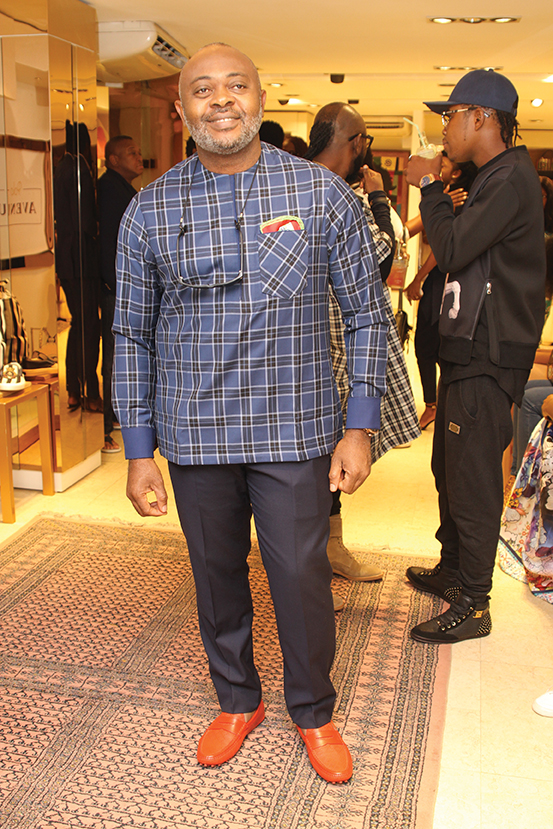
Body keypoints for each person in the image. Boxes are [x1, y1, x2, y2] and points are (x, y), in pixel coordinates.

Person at [112, 43, 388, 783]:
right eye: (203, 89)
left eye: (236, 85)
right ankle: (238, 700)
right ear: (182, 110)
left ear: (261, 100)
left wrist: (358, 426)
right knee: (214, 574)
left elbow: (367, 315)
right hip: (194, 432)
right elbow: (130, 333)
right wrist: (138, 448)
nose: (221, 99)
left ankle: (314, 711)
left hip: (294, 427)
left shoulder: (321, 195)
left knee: (299, 575)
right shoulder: (149, 209)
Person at [403, 68, 546, 643]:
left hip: (490, 350)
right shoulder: (493, 177)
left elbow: (456, 247)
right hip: (469, 345)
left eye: (451, 115)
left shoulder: (510, 178)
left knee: (474, 478)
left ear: (482, 117)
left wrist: (429, 187)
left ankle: (474, 603)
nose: (445, 127)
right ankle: (454, 568)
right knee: (450, 468)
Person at [305, 102, 419, 583]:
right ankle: (310, 569)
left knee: (326, 459)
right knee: (312, 465)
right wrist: (377, 198)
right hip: (319, 348)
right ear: (356, 144)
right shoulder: (338, 194)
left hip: (326, 343)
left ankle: (329, 552)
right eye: (365, 141)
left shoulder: (302, 183)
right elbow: (380, 260)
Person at [404, 154, 478, 431]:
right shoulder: (447, 198)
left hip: (442, 283)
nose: (436, 164)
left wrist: (418, 278)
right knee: (429, 345)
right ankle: (435, 405)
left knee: (430, 345)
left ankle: (435, 406)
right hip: (443, 282)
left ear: (456, 173)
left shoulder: (459, 200)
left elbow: (441, 249)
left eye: (443, 164)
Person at [98, 135, 144, 453]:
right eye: (131, 153)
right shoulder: (109, 190)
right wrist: (118, 285)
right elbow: (110, 246)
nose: (139, 157)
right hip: (116, 286)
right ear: (114, 160)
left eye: (138, 152)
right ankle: (110, 419)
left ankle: (115, 414)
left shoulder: (123, 189)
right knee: (117, 355)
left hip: (119, 286)